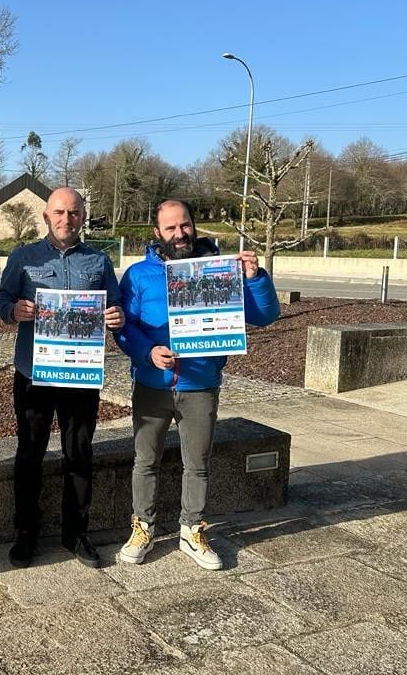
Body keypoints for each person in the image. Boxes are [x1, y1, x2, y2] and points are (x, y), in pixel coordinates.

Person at [114, 199, 279, 570]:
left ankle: (192, 529)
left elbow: (265, 316)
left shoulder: (221, 270)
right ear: (157, 232)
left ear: (194, 225)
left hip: (200, 383)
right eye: (170, 228)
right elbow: (125, 327)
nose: (179, 234)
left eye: (184, 225)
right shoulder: (139, 275)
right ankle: (143, 527)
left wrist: (255, 278)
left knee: (198, 463)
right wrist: (147, 352)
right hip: (152, 383)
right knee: (145, 461)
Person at [0, 187, 124, 569]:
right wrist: (14, 309)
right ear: (46, 216)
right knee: (30, 453)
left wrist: (116, 315)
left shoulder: (98, 261)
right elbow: (1, 302)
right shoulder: (23, 257)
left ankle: (76, 532)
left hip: (80, 373)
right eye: (59, 212)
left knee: (79, 453)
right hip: (34, 371)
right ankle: (26, 533)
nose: (67, 219)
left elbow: (113, 303)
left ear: (83, 216)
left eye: (74, 213)